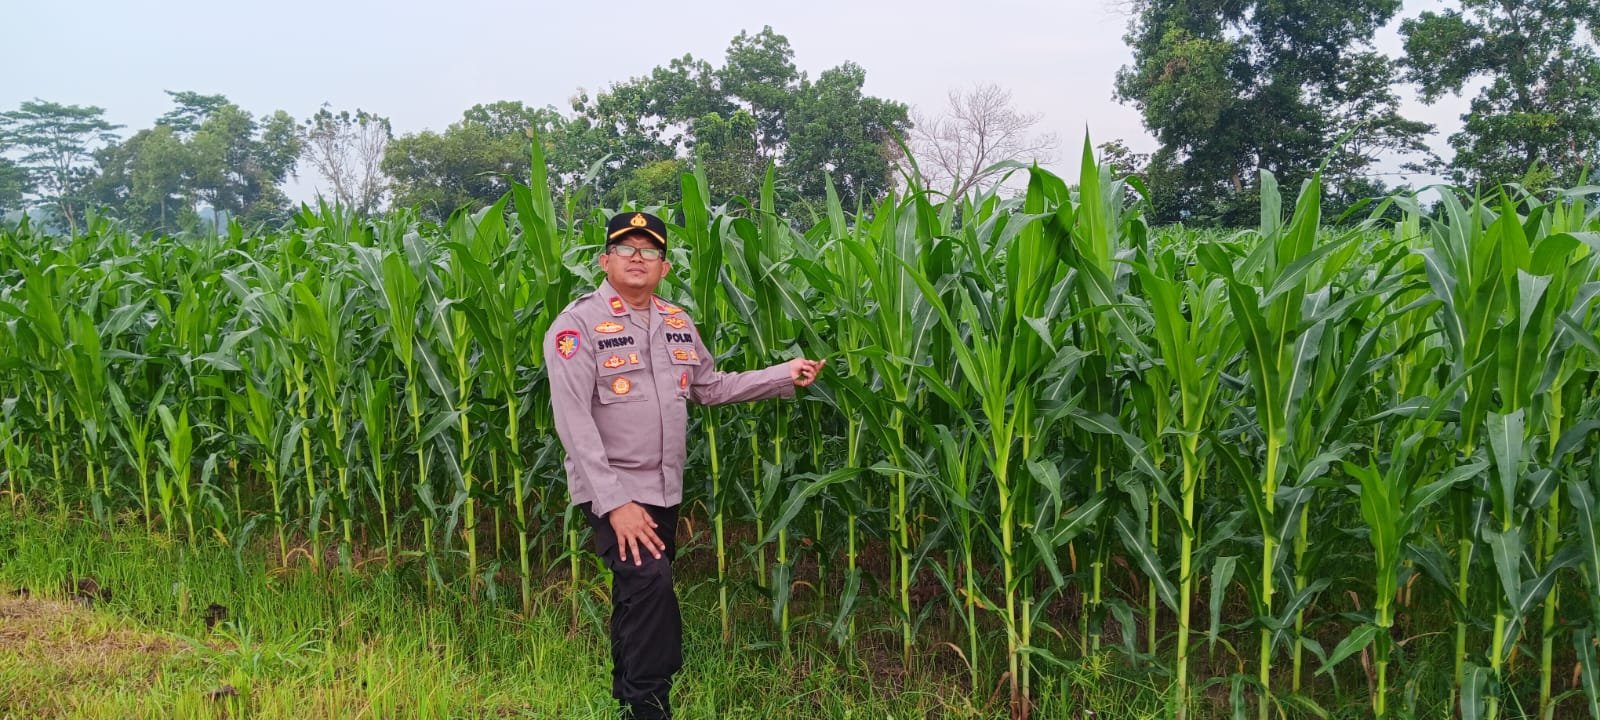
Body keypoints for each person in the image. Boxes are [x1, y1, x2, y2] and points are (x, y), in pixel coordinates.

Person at [544, 210, 824, 720]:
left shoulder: (677, 322)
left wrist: (783, 375)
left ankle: (630, 701)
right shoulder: (576, 325)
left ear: (664, 267)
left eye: (649, 251)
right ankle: (651, 707)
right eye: (625, 249)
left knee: (638, 594)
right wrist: (616, 504)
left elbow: (710, 388)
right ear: (605, 260)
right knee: (652, 584)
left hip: (665, 489)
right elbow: (573, 420)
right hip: (613, 489)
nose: (637, 258)